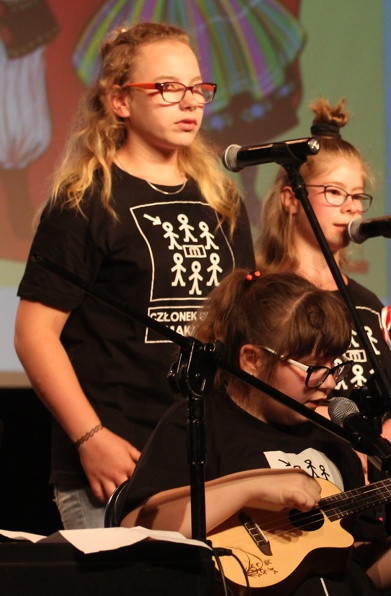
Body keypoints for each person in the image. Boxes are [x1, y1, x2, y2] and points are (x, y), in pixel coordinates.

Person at [14, 22, 254, 529]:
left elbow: (242, 331)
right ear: (120, 101)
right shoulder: (86, 200)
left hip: (209, 463)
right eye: (167, 88)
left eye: (197, 88)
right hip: (118, 465)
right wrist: (89, 437)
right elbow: (34, 335)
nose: (190, 102)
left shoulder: (222, 201)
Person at [119, 270, 391, 595]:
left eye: (334, 366)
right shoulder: (199, 421)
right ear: (252, 359)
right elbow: (138, 527)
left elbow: (362, 572)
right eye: (314, 368)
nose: (331, 381)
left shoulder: (334, 441)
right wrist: (254, 487)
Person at [257, 97, 391, 452]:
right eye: (334, 192)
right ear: (291, 199)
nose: (350, 207)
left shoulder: (366, 306)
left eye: (357, 196)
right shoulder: (264, 297)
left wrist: (370, 449)